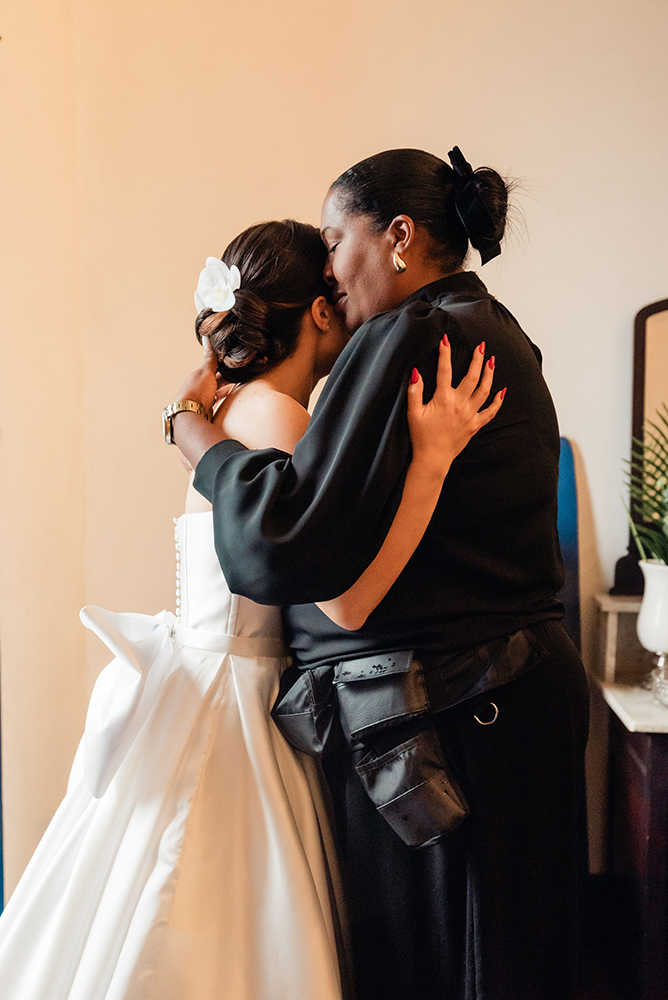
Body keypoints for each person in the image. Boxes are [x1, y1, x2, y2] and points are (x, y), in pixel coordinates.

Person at [0, 218, 501, 1000]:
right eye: (336, 292)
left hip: (200, 679)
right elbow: (347, 602)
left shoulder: (230, 410)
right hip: (239, 701)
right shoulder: (285, 422)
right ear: (320, 312)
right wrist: (430, 463)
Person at [174, 149, 591, 1000]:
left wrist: (191, 433)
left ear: (397, 236)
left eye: (336, 240)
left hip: (464, 716)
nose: (328, 272)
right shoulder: (491, 326)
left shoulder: (415, 333)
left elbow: (286, 540)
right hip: (497, 706)